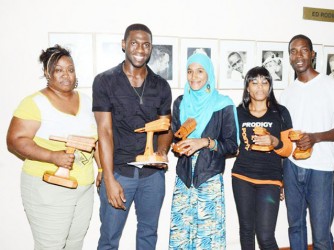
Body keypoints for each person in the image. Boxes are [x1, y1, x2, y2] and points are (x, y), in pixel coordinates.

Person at [6, 45, 100, 249]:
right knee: (51, 246)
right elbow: (15, 140)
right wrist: (52, 156)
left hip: (83, 188)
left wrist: (101, 169)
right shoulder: (35, 103)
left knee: (74, 244)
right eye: (59, 70)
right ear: (47, 73)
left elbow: (96, 141)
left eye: (70, 69)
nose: (66, 75)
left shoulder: (86, 101)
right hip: (47, 187)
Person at [92, 23, 173, 250]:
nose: (140, 48)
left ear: (151, 48)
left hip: (152, 176)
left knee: (148, 235)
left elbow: (167, 127)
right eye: (134, 43)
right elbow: (104, 132)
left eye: (146, 44)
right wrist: (108, 178)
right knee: (109, 238)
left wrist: (162, 152)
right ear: (124, 45)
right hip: (119, 172)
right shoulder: (105, 81)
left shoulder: (161, 85)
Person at [280, 34, 334, 250]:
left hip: (321, 168)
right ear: (289, 57)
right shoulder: (287, 94)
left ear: (312, 54)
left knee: (321, 234)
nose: (298, 55)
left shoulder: (333, 87)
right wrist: (280, 175)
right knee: (295, 227)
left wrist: (315, 138)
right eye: (293, 51)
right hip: (292, 167)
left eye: (303, 50)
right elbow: (284, 138)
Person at [169, 53, 239, 249]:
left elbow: (232, 145)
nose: (194, 77)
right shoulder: (180, 103)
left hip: (209, 178)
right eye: (190, 71)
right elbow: (176, 137)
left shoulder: (223, 104)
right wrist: (178, 147)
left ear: (209, 73)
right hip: (184, 179)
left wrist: (205, 142)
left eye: (200, 71)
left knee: (207, 238)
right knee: (182, 236)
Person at [232, 66, 293, 250]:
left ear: (270, 86)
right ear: (247, 87)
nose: (260, 87)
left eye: (265, 82)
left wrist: (274, 141)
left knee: (266, 236)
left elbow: (288, 149)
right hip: (242, 177)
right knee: (246, 231)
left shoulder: (281, 113)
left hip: (270, 180)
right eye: (254, 82)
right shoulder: (237, 112)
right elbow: (232, 144)